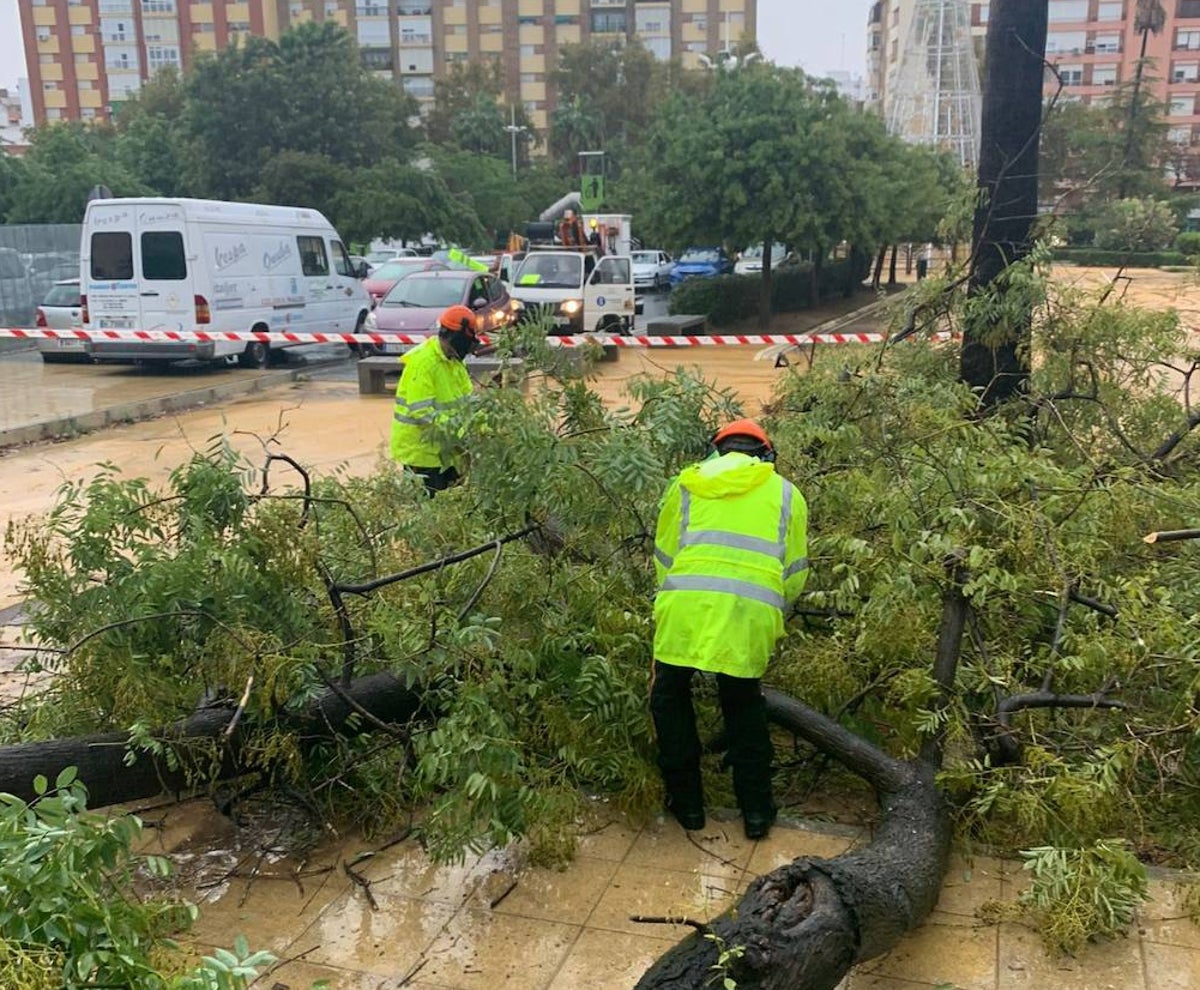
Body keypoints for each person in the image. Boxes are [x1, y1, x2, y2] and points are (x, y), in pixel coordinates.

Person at [650, 419, 809, 839]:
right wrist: (773, 611)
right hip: (749, 613)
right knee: (743, 706)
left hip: (684, 606)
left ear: (716, 450)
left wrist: (675, 598)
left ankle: (688, 808)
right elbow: (794, 572)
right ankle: (756, 813)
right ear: (766, 453)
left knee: (670, 699)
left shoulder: (685, 484)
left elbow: (664, 556)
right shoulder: (788, 494)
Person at [390, 304, 479, 494]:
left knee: (453, 512)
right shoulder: (424, 363)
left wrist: (482, 428)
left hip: (450, 454)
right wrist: (463, 433)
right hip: (422, 456)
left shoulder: (454, 363)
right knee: (428, 516)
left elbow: (468, 403)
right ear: (458, 339)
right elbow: (423, 413)